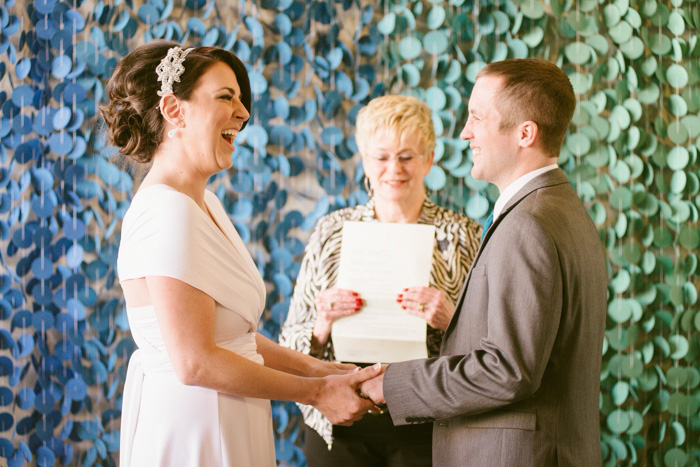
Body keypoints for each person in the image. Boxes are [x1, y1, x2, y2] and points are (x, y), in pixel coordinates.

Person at [101, 41, 381, 467]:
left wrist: (324, 371)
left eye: (240, 99)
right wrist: (317, 394)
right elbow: (196, 362)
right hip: (197, 427)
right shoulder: (167, 212)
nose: (244, 113)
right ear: (175, 110)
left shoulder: (205, 205)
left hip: (229, 411)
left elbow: (234, 340)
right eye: (225, 97)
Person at [361, 59, 608, 466]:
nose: (465, 131)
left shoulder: (528, 224)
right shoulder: (559, 209)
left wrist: (393, 384)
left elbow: (508, 368)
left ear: (525, 133)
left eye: (477, 116)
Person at [279, 95, 482, 466]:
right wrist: (322, 323)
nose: (394, 169)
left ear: (429, 159)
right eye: (381, 156)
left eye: (407, 156)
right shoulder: (332, 231)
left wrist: (450, 318)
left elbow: (490, 348)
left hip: (429, 422)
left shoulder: (462, 235)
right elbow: (291, 338)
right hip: (339, 421)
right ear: (364, 160)